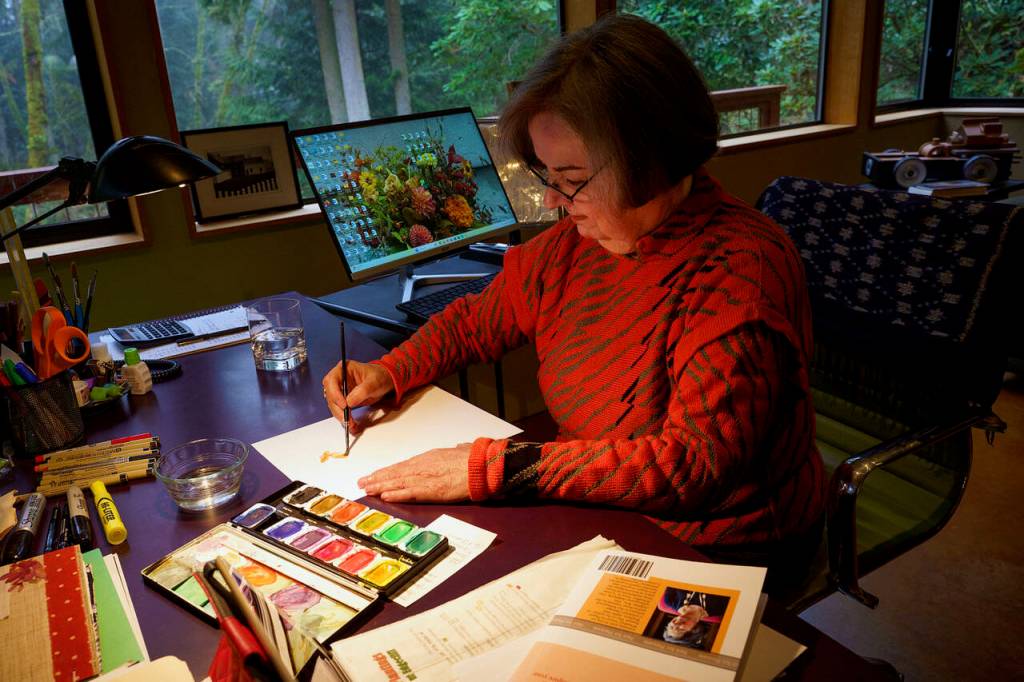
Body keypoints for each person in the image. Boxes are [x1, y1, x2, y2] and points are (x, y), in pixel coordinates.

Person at [322, 14, 826, 589]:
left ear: (651, 161)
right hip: (603, 512)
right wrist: (388, 371)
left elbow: (689, 466)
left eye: (572, 178)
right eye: (548, 175)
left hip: (724, 545)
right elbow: (475, 322)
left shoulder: (742, 270)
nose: (555, 201)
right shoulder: (572, 246)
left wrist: (493, 468)